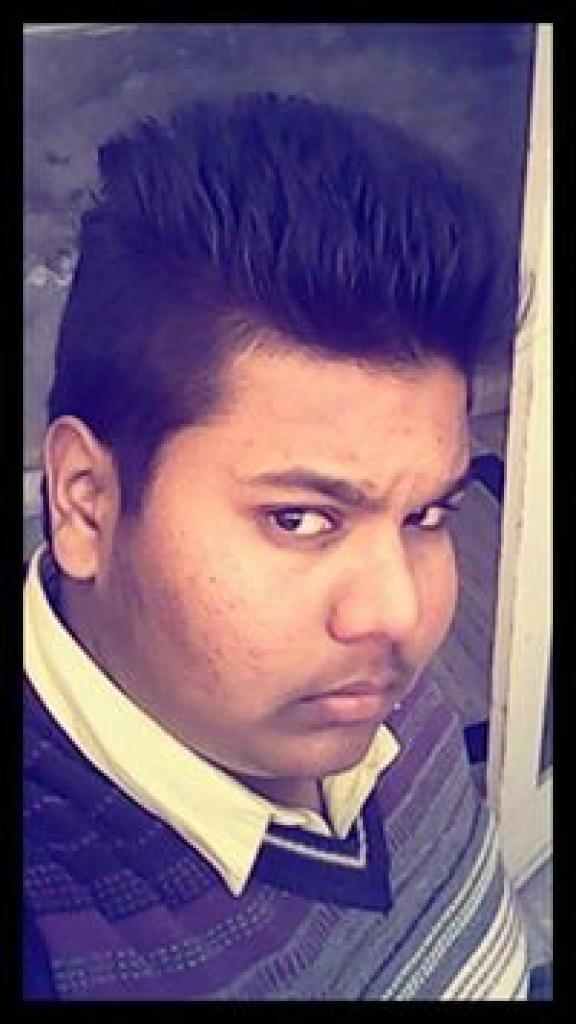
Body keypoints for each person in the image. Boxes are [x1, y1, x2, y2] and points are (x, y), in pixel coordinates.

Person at [23, 92, 529, 1000]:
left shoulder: (331, 680)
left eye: (429, 513)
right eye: (299, 519)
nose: (398, 614)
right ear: (87, 503)